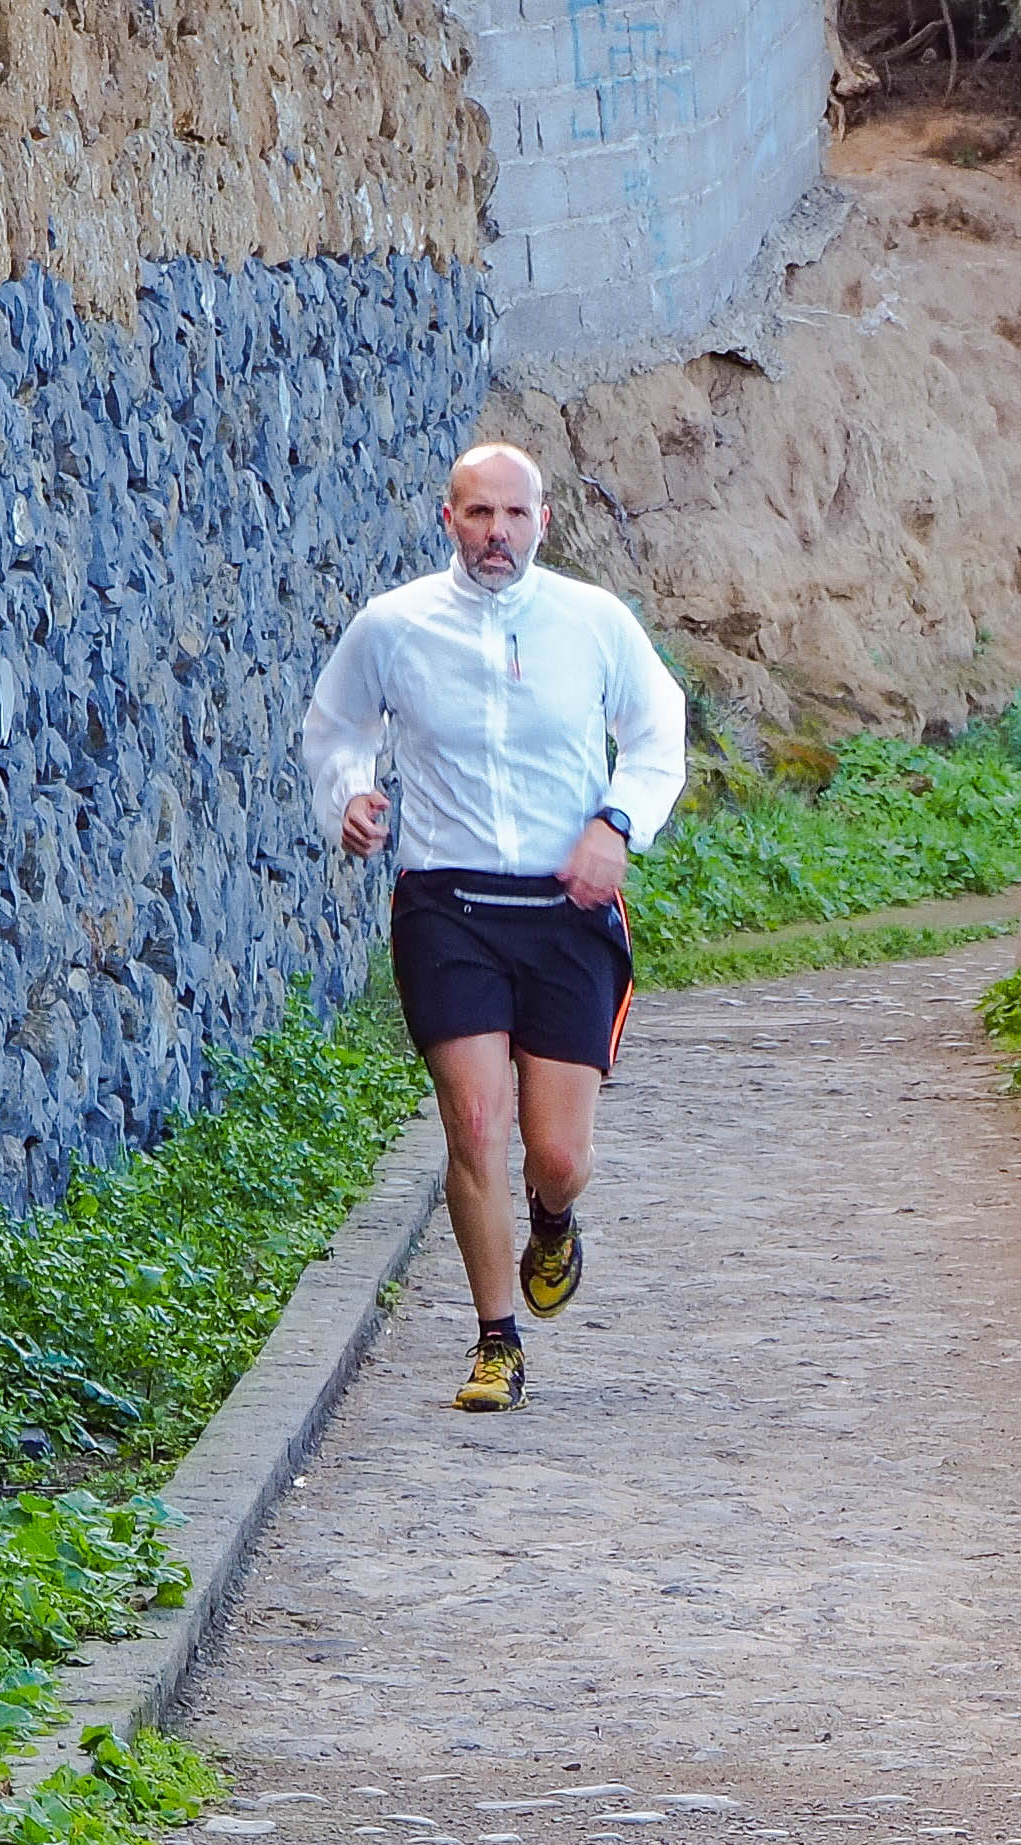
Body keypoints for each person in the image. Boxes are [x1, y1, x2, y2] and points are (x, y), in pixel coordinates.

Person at [300, 445, 690, 1412]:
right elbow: (336, 726)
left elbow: (657, 729)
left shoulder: (592, 622)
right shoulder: (393, 626)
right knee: (475, 1123)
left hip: (568, 910)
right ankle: (494, 1342)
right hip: (448, 906)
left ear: (544, 522)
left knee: (556, 1156)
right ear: (447, 520)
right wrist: (348, 795)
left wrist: (617, 825)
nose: (496, 535)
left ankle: (552, 1219)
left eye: (514, 516)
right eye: (477, 514)